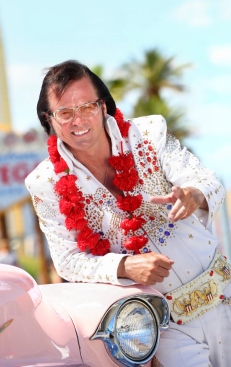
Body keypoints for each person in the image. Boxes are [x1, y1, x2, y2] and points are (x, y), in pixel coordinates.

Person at [25, 60, 230, 367]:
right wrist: (125, 266)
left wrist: (193, 195)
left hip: (224, 293)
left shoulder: (149, 132)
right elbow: (67, 261)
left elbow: (208, 180)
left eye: (87, 106)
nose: (78, 120)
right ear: (49, 119)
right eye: (65, 112)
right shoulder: (45, 183)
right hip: (165, 325)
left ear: (104, 105)